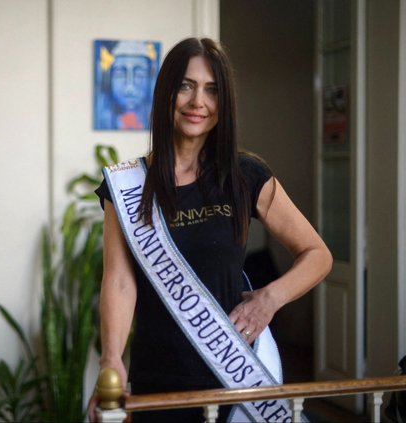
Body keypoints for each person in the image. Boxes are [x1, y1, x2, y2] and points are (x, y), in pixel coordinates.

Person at [90, 37, 332, 422]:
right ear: (166, 92)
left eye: (211, 90)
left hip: (234, 375)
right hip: (157, 379)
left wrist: (269, 299)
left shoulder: (245, 175)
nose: (197, 102)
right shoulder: (127, 185)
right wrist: (111, 359)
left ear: (225, 102)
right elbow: (119, 282)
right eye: (185, 85)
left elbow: (318, 255)